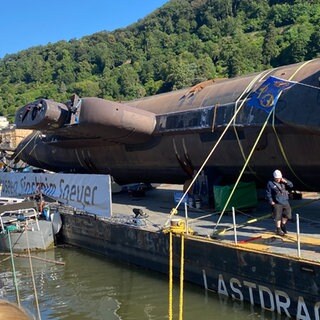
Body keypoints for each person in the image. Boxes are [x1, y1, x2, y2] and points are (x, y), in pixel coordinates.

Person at [266, 169, 293, 236]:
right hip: (277, 202)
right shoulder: (270, 183)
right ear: (274, 178)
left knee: (287, 214)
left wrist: (286, 181)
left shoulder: (283, 181)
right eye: (277, 178)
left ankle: (282, 225)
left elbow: (291, 185)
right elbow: (268, 193)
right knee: (277, 216)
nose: (278, 180)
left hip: (285, 200)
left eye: (279, 178)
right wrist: (271, 201)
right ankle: (278, 229)